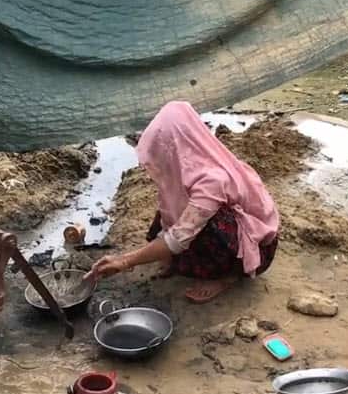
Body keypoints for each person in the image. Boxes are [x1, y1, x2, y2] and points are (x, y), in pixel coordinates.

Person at [86, 101, 279, 303]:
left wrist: (125, 261)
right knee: (171, 205)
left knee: (213, 221)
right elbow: (170, 213)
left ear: (175, 146)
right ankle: (182, 260)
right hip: (218, 228)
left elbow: (179, 237)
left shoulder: (212, 178)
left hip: (254, 248)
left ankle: (228, 276)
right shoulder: (190, 166)